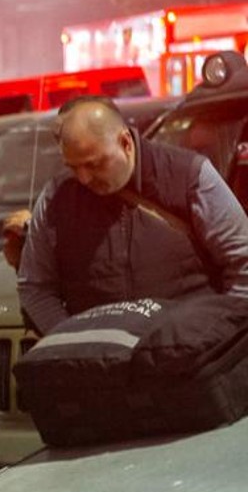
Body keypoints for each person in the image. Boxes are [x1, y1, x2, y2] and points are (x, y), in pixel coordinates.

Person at [18, 96, 248, 334]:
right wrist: (69, 343)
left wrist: (215, 337)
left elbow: (243, 266)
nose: (84, 178)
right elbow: (36, 288)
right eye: (74, 167)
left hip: (190, 359)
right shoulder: (57, 197)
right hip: (94, 363)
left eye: (95, 164)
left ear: (126, 143)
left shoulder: (190, 176)